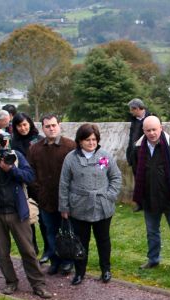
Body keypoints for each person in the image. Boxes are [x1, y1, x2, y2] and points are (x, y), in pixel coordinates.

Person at [0, 129, 50, 299]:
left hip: (17, 211)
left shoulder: (16, 155)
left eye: (5, 137)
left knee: (28, 251)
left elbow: (29, 176)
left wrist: (11, 169)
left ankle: (38, 284)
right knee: (2, 252)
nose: (2, 141)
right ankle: (11, 281)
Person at [59, 124, 122, 286]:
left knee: (103, 240)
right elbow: (64, 184)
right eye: (88, 140)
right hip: (79, 207)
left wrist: (109, 196)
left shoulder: (104, 156)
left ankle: (106, 270)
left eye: (94, 139)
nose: (91, 143)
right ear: (80, 141)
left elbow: (116, 177)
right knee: (81, 241)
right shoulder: (71, 158)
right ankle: (80, 272)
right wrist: (64, 207)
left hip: (102, 206)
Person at [130, 115, 170, 276]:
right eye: (148, 130)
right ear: (143, 131)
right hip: (149, 198)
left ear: (161, 128)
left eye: (154, 129)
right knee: (152, 231)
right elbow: (136, 170)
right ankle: (153, 259)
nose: (151, 133)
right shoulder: (138, 148)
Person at [29, 114, 76, 276]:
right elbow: (31, 172)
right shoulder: (35, 149)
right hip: (45, 199)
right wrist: (38, 190)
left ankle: (68, 262)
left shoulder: (70, 146)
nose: (51, 128)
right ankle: (55, 260)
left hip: (66, 199)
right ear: (43, 128)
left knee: (67, 232)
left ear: (59, 125)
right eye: (48, 126)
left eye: (54, 125)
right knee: (50, 232)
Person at [11, 112, 47, 258]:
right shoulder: (14, 143)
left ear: (30, 124)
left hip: (41, 184)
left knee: (45, 220)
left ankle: (48, 250)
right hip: (25, 185)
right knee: (28, 221)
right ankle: (33, 249)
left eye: (25, 124)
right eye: (19, 125)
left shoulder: (39, 139)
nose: (23, 128)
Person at [125, 98, 151, 174]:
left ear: (137, 109)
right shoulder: (133, 119)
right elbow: (131, 139)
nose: (130, 112)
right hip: (135, 156)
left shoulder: (151, 118)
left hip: (147, 156)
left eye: (131, 110)